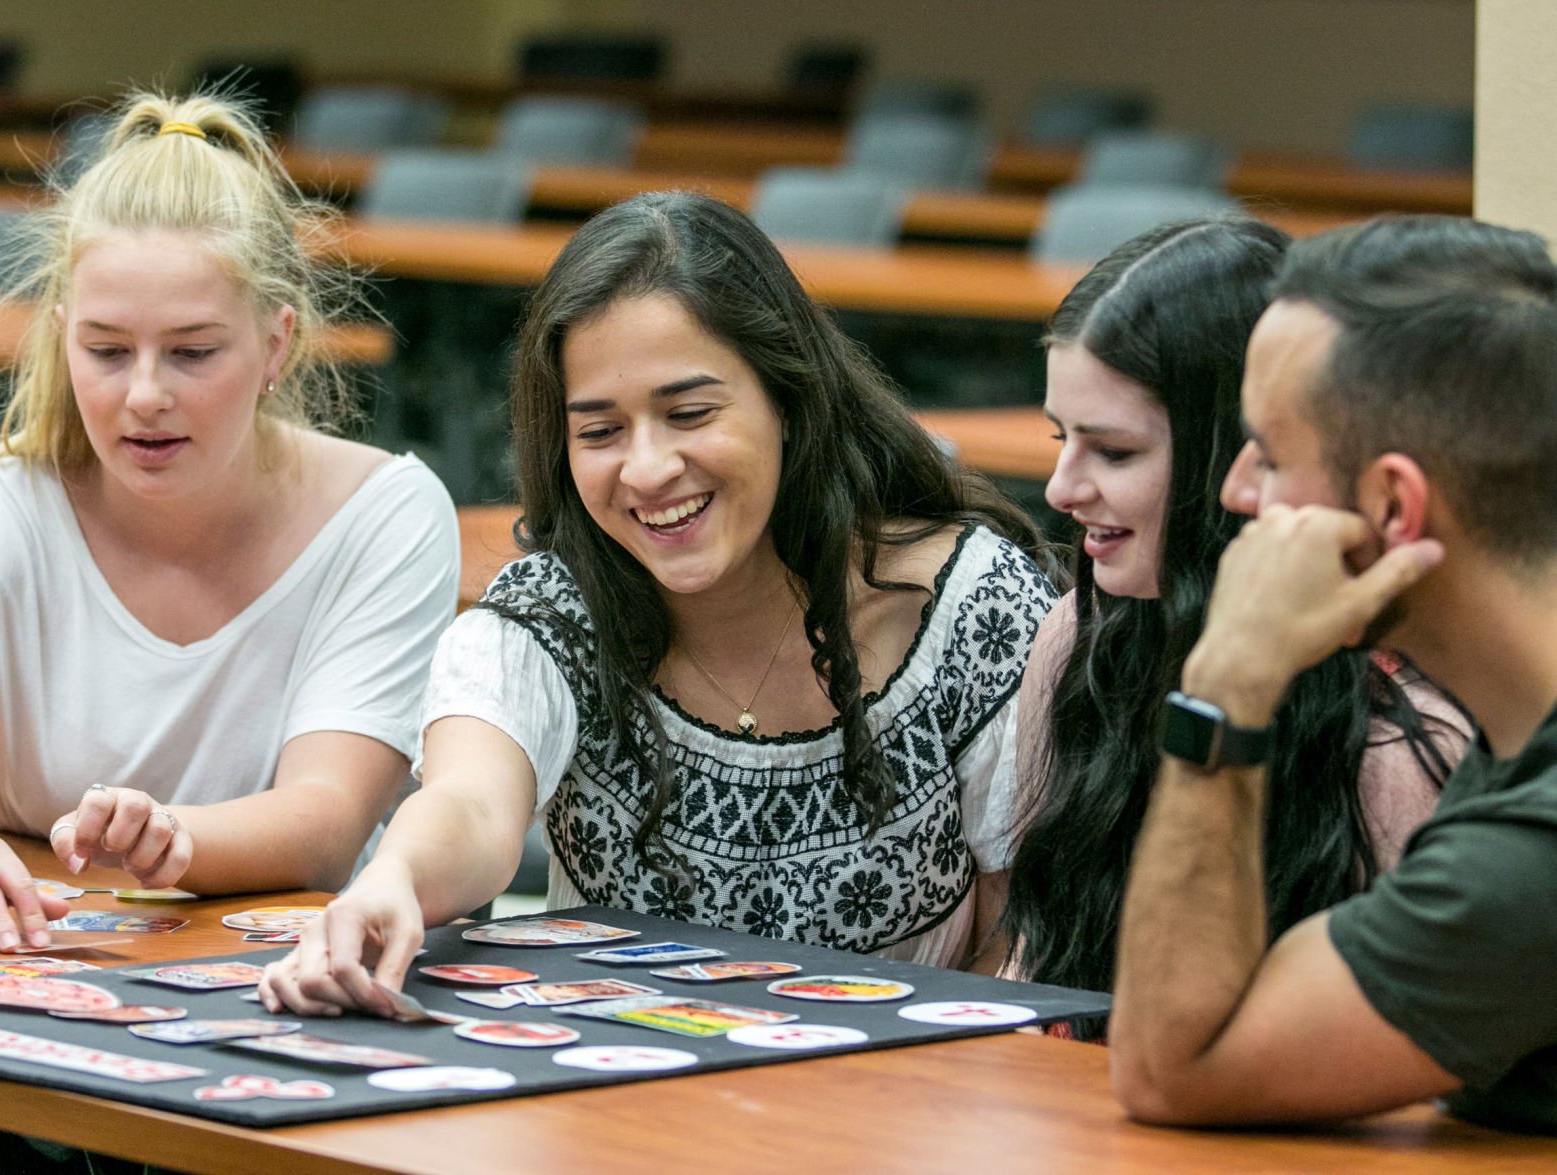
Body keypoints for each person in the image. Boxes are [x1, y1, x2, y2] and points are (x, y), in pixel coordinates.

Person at [262, 190, 1056, 1015]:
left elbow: (1023, 931)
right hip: (614, 1112)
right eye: (599, 432)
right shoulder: (549, 613)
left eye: (689, 413)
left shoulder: (974, 610)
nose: (646, 470)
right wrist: (392, 878)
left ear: (787, 396)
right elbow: (469, 801)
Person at [0, 90, 456, 952]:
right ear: (62, 332)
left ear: (276, 344)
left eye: (193, 352)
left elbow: (326, 818)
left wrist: (175, 837)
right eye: (106, 351)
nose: (144, 396)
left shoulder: (385, 515)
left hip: (274, 986)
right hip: (30, 966)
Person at [1110, 215, 1557, 1134]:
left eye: (1268, 455)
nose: (1235, 491)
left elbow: (1172, 1067)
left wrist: (1226, 686)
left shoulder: (1534, 857)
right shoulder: (1521, 731)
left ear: (1392, 504)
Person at [1001, 218, 1465, 1019]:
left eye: (1112, 451)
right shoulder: (1080, 635)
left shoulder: (1401, 743)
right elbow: (1028, 964)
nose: (1059, 488)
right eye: (1058, 438)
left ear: (1238, 458)